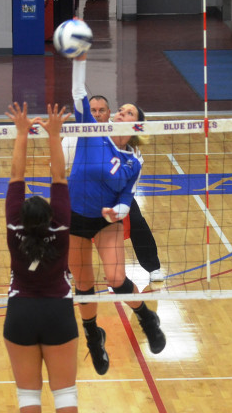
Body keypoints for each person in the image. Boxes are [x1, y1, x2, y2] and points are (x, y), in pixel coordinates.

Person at [69, 49, 166, 377]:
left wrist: (117, 211)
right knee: (83, 287)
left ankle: (146, 318)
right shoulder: (91, 131)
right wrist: (80, 58)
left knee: (115, 279)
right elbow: (79, 93)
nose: (119, 113)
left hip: (105, 221)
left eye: (126, 112)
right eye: (119, 110)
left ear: (134, 123)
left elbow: (127, 198)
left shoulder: (133, 161)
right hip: (75, 218)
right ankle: (94, 338)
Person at [3, 102, 83, 413]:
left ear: (21, 218)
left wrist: (21, 133)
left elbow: (16, 176)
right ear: (50, 217)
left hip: (20, 313)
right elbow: (59, 178)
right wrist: (54, 135)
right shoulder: (62, 226)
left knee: (28, 393)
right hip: (57, 312)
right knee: (64, 390)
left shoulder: (14, 228)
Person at [62, 94, 165, 282]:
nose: (97, 114)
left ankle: (153, 267)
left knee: (137, 221)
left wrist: (120, 200)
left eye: (101, 110)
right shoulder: (79, 134)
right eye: (93, 110)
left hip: (115, 192)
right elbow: (58, 165)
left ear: (108, 112)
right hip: (84, 192)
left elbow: (134, 169)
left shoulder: (124, 134)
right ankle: (65, 270)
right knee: (62, 226)